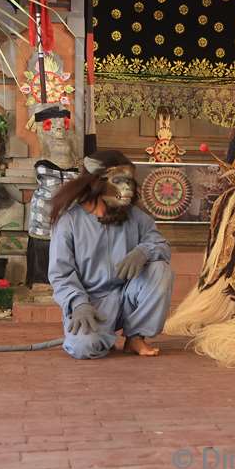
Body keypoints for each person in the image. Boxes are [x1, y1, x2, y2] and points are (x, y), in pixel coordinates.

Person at [48, 149, 173, 359]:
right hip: (90, 304)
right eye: (120, 180)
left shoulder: (137, 218)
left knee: (160, 269)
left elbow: (161, 244)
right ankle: (99, 336)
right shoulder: (69, 223)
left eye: (130, 182)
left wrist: (145, 251)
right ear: (97, 182)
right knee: (84, 347)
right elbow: (60, 274)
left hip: (128, 297)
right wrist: (78, 304)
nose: (128, 189)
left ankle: (136, 336)